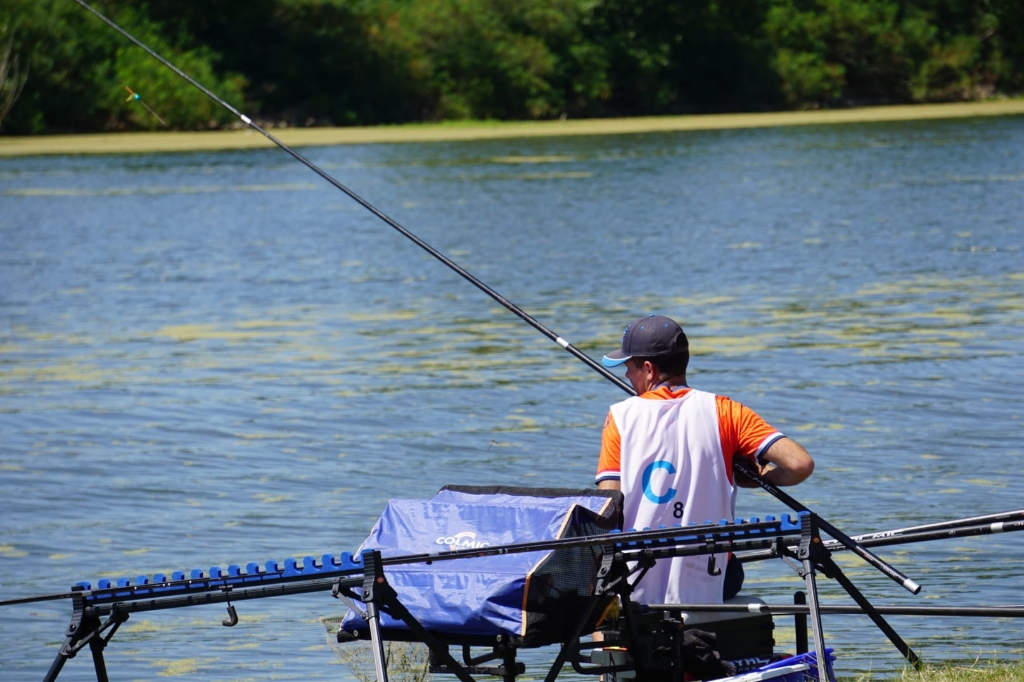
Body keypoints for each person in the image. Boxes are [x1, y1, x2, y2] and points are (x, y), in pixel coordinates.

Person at [596, 314, 814, 606]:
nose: (626, 376)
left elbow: (607, 506)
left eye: (629, 367)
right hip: (709, 577)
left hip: (638, 580)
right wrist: (756, 479)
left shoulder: (620, 416)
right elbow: (800, 464)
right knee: (732, 567)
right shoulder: (727, 411)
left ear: (648, 369)